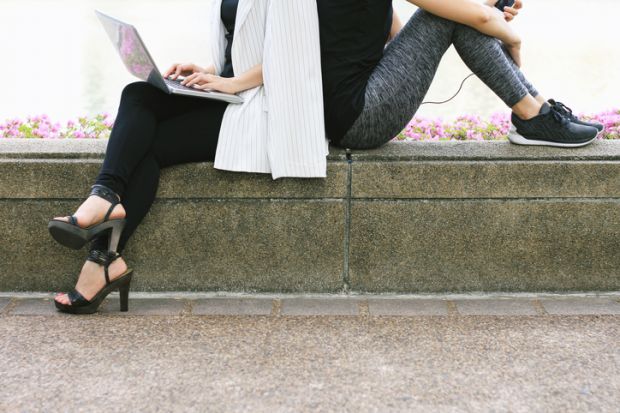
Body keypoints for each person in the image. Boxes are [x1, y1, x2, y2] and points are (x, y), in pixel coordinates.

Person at [49, 0, 326, 314]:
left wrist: (231, 83)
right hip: (230, 92)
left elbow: (294, 56)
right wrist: (208, 72)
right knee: (138, 94)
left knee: (150, 144)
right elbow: (239, 46)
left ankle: (102, 256)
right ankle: (104, 198)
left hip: (262, 106)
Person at [316, 0, 604, 150]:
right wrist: (510, 38)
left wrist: (484, 15)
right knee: (451, 15)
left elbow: (404, 42)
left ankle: (539, 111)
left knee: (459, 15)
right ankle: (532, 115)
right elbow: (465, 17)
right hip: (360, 118)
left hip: (343, 112)